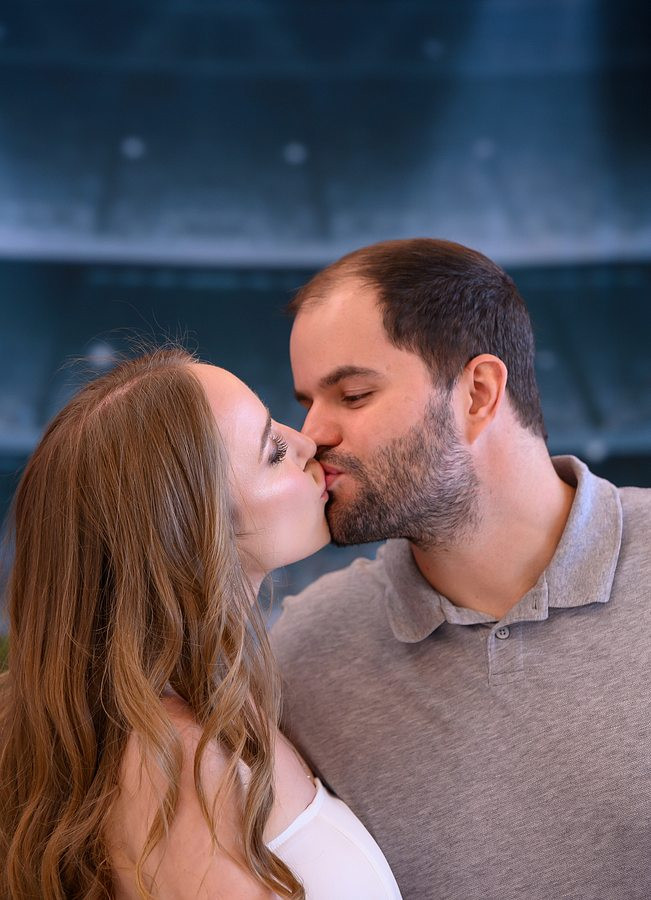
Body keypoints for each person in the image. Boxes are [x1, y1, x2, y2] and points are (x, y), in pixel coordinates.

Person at [271, 238, 651, 900]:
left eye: (352, 394)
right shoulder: (300, 659)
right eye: (308, 401)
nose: (312, 434)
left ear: (478, 392)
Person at [0, 349, 403, 899]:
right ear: (195, 533)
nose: (308, 442)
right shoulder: (180, 761)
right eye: (274, 451)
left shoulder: (192, 716)